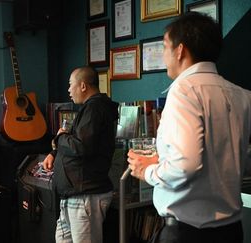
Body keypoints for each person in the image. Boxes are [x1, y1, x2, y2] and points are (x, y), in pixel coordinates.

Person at [127, 12, 251, 243]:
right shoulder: (243, 95)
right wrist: (164, 160)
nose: (164, 56)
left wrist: (147, 172)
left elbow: (186, 166)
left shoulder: (184, 90)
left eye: (164, 47)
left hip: (188, 233)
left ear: (180, 50)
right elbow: (232, 159)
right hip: (232, 230)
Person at [43, 66, 119, 243]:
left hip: (86, 196)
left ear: (83, 86)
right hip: (72, 196)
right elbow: (76, 141)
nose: (69, 90)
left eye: (71, 85)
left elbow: (81, 146)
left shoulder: (95, 108)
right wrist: (55, 152)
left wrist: (60, 137)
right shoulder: (89, 109)